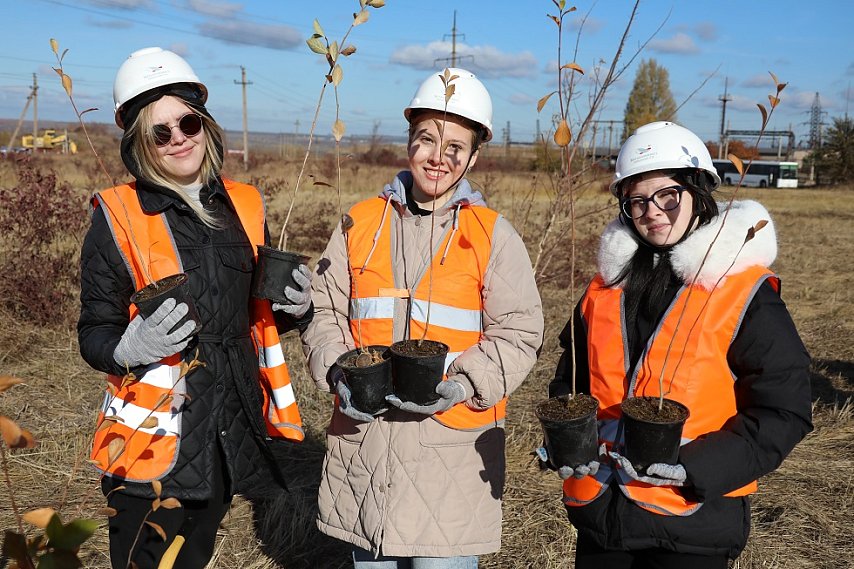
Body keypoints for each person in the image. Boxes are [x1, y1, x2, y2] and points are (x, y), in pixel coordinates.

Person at [77, 47, 313, 569]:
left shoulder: (243, 204)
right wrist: (126, 347)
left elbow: (253, 310)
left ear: (204, 124)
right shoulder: (117, 215)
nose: (178, 137)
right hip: (151, 440)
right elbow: (94, 329)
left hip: (230, 426)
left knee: (194, 555)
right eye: (160, 132)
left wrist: (297, 307)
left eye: (187, 122)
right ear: (139, 142)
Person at [301, 68, 544, 567]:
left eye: (456, 146)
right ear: (409, 140)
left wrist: (465, 383)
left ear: (475, 156)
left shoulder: (493, 235)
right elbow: (325, 309)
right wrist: (336, 371)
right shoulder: (359, 223)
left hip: (450, 454)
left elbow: (519, 333)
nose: (439, 156)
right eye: (427, 139)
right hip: (366, 448)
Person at [546, 121, 813, 568]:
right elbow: (569, 379)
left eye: (667, 195)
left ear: (699, 193)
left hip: (692, 523)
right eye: (637, 200)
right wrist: (568, 438)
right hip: (602, 516)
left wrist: (698, 468)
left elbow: (784, 411)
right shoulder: (604, 290)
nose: (652, 211)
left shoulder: (743, 292)